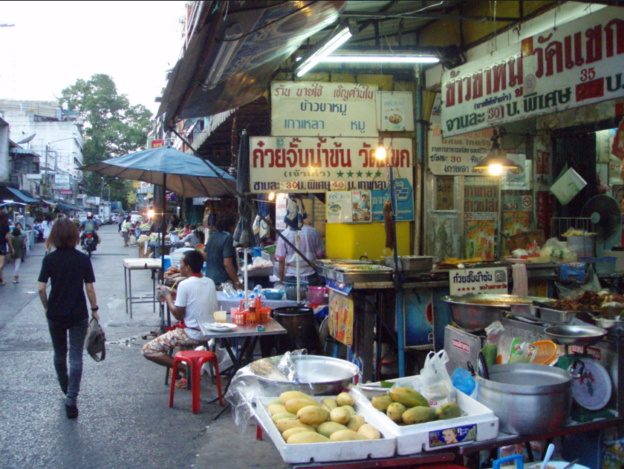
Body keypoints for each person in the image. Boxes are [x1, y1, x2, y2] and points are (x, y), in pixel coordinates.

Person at [37, 218, 99, 419]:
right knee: (75, 356)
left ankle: (65, 387)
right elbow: (89, 287)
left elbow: (40, 288)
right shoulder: (82, 259)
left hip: (55, 313)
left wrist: (47, 307)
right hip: (78, 314)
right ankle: (72, 399)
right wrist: (95, 309)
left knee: (59, 353)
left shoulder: (49, 259)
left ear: (54, 237)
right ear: (75, 236)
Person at [142, 250, 217, 386]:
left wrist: (168, 295)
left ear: (188, 267)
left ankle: (185, 369)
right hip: (208, 332)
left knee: (148, 350)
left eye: (181, 263)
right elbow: (195, 300)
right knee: (177, 337)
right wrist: (175, 294)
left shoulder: (184, 284)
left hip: (192, 333)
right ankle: (179, 370)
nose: (179, 266)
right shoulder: (209, 282)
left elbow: (178, 314)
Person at [275, 221, 325, 286]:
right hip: (311, 275)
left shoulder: (284, 234)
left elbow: (281, 261)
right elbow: (320, 256)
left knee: (292, 296)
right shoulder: (314, 232)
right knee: (311, 296)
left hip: (291, 277)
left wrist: (281, 280)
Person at [203, 211, 243, 290]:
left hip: (210, 281)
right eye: (236, 225)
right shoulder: (228, 238)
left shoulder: (213, 236)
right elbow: (227, 264)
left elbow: (204, 256)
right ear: (231, 225)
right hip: (223, 283)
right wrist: (237, 282)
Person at [0, 211, 15, 286]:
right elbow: (8, 238)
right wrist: (11, 248)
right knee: (2, 264)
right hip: (2, 245)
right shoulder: (5, 226)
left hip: (2, 245)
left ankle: (2, 279)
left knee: (1, 264)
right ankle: (2, 280)